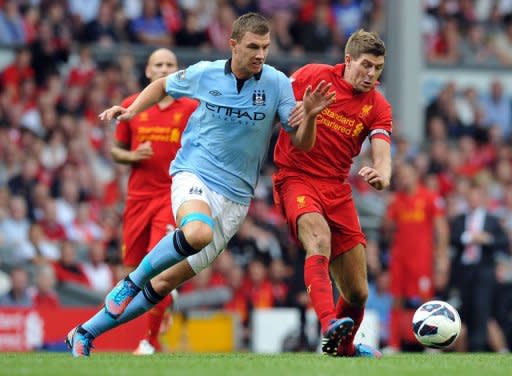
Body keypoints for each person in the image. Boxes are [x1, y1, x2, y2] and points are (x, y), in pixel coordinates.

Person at [65, 12, 336, 357]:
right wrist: (133, 112)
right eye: (253, 46)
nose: (260, 54)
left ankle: (85, 333)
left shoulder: (277, 83)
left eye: (265, 47)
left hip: (236, 199)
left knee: (163, 283)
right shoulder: (205, 73)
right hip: (194, 173)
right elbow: (162, 85)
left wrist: (310, 116)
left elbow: (301, 143)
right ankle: (129, 283)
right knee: (196, 233)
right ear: (233, 45)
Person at [272, 29, 392, 357]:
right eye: (366, 65)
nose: (371, 74)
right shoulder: (312, 76)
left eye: (378, 68)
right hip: (296, 178)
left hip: (337, 190)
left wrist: (382, 174)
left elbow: (382, 151)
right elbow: (281, 113)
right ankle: (328, 323)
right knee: (319, 240)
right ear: (348, 59)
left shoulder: (378, 106)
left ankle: (345, 349)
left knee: (357, 292)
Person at [111, 48, 198, 355]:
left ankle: (149, 342)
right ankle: (165, 300)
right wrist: (132, 155)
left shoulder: (190, 106)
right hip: (137, 199)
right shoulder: (131, 105)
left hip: (170, 195)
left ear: (178, 70)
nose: (163, 69)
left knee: (157, 268)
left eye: (169, 65)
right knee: (133, 269)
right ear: (148, 71)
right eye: (158, 65)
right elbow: (116, 150)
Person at [382, 162, 449, 353]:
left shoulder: (429, 197)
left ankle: (431, 343)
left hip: (422, 258)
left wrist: (442, 257)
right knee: (396, 299)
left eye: (407, 174)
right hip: (400, 258)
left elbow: (441, 228)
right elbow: (387, 229)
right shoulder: (397, 201)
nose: (403, 178)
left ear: (415, 174)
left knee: (425, 300)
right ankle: (393, 344)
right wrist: (388, 209)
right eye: (400, 175)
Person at [449, 182, 509, 352]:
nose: (473, 200)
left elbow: (503, 241)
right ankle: (465, 349)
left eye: (476, 196)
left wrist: (486, 239)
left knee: (482, 310)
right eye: (470, 196)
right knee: (464, 311)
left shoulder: (492, 220)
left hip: (484, 270)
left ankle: (478, 346)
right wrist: (469, 238)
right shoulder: (460, 219)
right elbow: (453, 238)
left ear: (482, 198)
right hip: (465, 271)